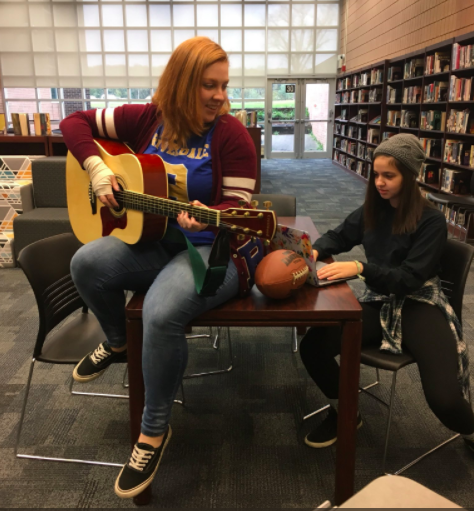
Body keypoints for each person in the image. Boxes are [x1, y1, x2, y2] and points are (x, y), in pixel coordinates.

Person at [60, 37, 257, 498]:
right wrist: (97, 168)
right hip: (153, 240)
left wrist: (207, 217)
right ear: (182, 83)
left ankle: (153, 431)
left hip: (213, 251)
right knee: (86, 262)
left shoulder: (232, 135)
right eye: (209, 85)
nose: (220, 96)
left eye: (224, 85)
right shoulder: (148, 118)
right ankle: (117, 341)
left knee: (160, 312)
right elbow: (73, 122)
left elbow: (239, 212)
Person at [299, 134, 474, 454]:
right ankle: (347, 412)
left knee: (445, 400)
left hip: (419, 303)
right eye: (376, 174)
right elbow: (339, 236)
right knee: (313, 347)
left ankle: (471, 431)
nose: (379, 182)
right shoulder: (373, 209)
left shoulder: (431, 220)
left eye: (389, 176)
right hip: (380, 301)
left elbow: (408, 279)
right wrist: (315, 250)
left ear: (410, 175)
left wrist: (360, 268)